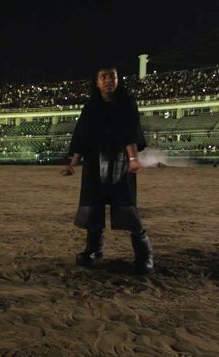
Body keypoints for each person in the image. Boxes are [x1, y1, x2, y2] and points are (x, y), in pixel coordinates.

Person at [61, 65, 154, 273]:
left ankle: (144, 254)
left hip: (121, 161)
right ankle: (93, 250)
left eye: (112, 76)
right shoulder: (90, 107)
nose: (108, 80)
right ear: (97, 82)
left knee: (127, 207)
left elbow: (130, 133)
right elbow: (82, 137)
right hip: (94, 163)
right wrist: (73, 164)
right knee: (93, 207)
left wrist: (132, 159)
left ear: (118, 80)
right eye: (103, 77)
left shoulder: (127, 104)